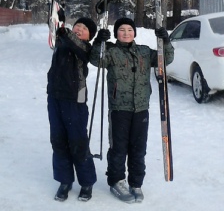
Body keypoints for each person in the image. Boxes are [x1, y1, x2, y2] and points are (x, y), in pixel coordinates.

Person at [90, 17, 174, 204]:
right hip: (119, 108)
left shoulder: (144, 51)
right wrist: (98, 42)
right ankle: (116, 181)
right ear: (116, 33)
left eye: (129, 29)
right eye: (122, 30)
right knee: (118, 148)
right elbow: (96, 60)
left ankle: (135, 183)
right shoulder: (111, 51)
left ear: (134, 33)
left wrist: (165, 41)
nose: (126, 33)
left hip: (141, 108)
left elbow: (165, 59)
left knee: (138, 149)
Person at [47, 17, 97, 202]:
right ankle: (64, 181)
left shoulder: (86, 48)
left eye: (84, 28)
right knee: (58, 140)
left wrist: (66, 32)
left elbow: (78, 46)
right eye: (78, 26)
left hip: (75, 99)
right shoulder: (60, 40)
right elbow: (53, 26)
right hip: (55, 97)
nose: (79, 29)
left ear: (89, 36)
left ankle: (86, 182)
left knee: (78, 141)